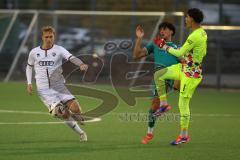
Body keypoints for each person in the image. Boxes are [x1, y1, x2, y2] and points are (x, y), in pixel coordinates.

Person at [154, 8, 207, 145]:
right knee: (159, 74)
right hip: (185, 67)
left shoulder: (194, 36)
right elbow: (198, 52)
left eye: (187, 17)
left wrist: (164, 46)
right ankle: (164, 104)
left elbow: (179, 53)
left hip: (191, 73)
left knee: (183, 105)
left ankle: (184, 136)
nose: (185, 19)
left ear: (192, 19)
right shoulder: (201, 32)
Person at [26, 26, 88, 142]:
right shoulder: (34, 52)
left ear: (54, 37)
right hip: (45, 90)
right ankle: (81, 133)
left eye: (51, 36)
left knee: (76, 108)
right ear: (42, 37)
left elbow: (71, 57)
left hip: (59, 86)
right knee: (63, 113)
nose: (49, 39)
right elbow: (29, 67)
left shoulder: (59, 49)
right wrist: (29, 83)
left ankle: (74, 114)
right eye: (46, 37)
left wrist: (80, 64)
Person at [133, 22, 181, 144]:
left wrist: (178, 80)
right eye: (160, 29)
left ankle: (166, 106)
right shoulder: (155, 45)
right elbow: (136, 55)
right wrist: (139, 38)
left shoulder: (177, 48)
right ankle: (149, 133)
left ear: (171, 31)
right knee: (153, 108)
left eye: (165, 29)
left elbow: (184, 64)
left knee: (182, 102)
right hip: (158, 78)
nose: (162, 31)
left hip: (170, 77)